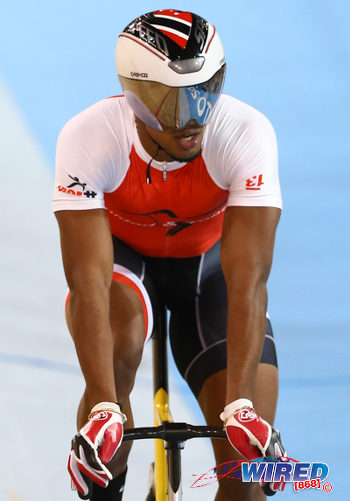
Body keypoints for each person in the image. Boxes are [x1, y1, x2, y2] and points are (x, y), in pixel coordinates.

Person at [53, 9, 287, 501]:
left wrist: (241, 406)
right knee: (114, 371)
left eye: (208, 92)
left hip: (209, 272)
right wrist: (102, 409)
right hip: (123, 268)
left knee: (250, 480)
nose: (195, 119)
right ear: (136, 97)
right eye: (176, 104)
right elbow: (88, 284)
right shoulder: (90, 137)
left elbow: (248, 281)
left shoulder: (246, 132)